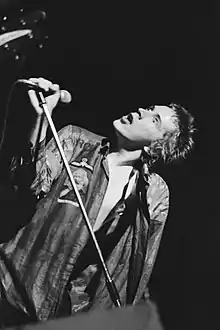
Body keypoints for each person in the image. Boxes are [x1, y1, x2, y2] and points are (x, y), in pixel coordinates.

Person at [0, 78, 196, 327]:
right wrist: (39, 118)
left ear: (155, 146)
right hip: (10, 287)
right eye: (148, 108)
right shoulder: (76, 141)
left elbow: (137, 271)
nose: (141, 111)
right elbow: (26, 186)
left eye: (154, 119)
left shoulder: (154, 193)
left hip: (59, 314)